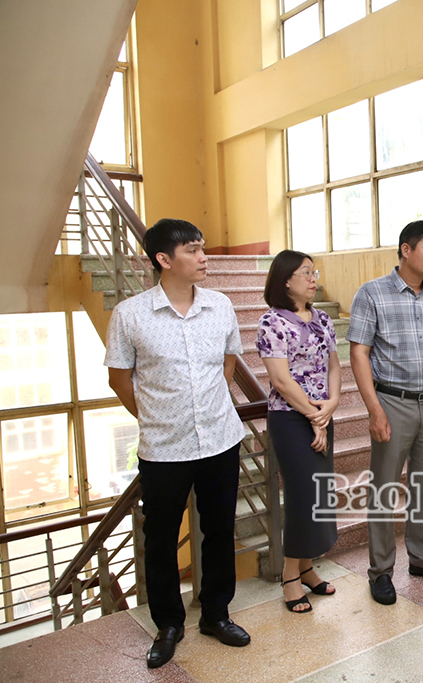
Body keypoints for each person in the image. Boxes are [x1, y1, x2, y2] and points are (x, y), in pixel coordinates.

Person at [105, 219, 250, 669]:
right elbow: (118, 377)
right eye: (193, 250)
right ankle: (168, 624)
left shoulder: (221, 306)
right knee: (162, 538)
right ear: (164, 260)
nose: (204, 257)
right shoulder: (130, 315)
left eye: (203, 248)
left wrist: (210, 406)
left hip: (221, 441)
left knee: (219, 530)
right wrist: (154, 416)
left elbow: (228, 361)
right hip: (164, 449)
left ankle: (216, 614)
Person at [347, 220, 423, 606]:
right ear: (405, 250)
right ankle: (380, 571)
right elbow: (359, 352)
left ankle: (422, 559)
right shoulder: (372, 294)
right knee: (383, 489)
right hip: (392, 403)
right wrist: (374, 409)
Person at [257, 250, 342, 613]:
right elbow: (280, 378)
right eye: (306, 272)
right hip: (290, 419)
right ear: (286, 280)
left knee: (319, 496)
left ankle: (307, 567)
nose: (313, 278)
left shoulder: (322, 318)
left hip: (322, 414)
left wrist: (333, 404)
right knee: (302, 496)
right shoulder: (272, 322)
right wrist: (313, 417)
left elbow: (334, 365)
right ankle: (290, 576)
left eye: (314, 271)